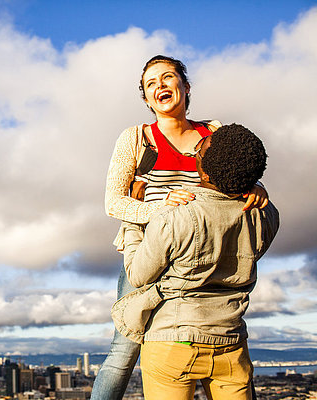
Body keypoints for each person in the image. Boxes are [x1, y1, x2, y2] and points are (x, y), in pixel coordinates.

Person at [92, 55, 269, 400]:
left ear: (186, 87)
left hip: (203, 251)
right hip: (147, 249)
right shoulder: (136, 138)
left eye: (168, 77)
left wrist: (257, 187)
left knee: (219, 333)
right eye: (150, 83)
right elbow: (113, 202)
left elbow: (239, 173)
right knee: (124, 353)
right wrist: (161, 211)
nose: (160, 86)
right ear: (145, 98)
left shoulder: (213, 133)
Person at [111, 123, 279, 399]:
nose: (196, 147)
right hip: (232, 342)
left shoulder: (174, 217)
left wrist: (133, 216)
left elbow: (137, 274)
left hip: (171, 342)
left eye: (201, 147)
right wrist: (255, 186)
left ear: (205, 170)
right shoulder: (266, 214)